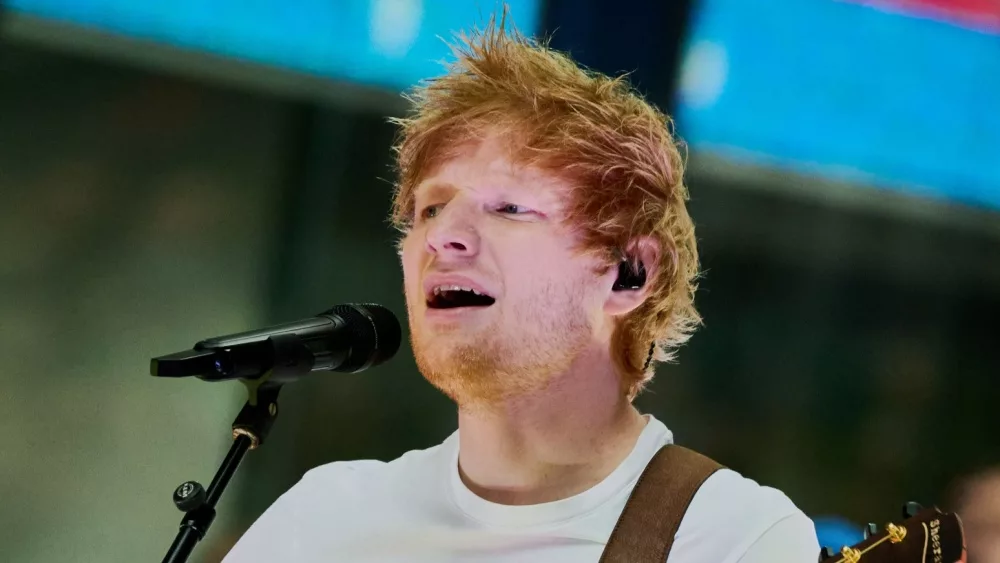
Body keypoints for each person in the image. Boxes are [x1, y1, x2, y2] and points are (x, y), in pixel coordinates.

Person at [222, 13, 819, 562]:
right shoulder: (323, 518)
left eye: (508, 208)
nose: (443, 237)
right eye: (430, 209)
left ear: (629, 271)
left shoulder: (730, 536)